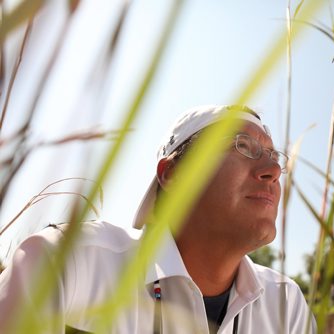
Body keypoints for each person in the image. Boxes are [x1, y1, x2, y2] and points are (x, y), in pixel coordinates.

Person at [0, 105, 316, 333]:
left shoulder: (286, 304)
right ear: (173, 175)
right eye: (243, 146)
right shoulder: (65, 264)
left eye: (274, 159)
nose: (272, 171)